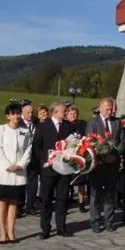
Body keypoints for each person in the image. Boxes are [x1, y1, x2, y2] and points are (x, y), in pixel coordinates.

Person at [0, 102, 32, 244]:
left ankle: (11, 231)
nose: (16, 116)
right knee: (3, 202)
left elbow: (28, 150)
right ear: (7, 116)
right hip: (4, 172)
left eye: (18, 113)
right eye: (13, 113)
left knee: (14, 203)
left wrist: (20, 165)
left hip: (19, 173)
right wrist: (8, 166)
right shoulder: (1, 129)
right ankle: (2, 232)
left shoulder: (25, 130)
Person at [33, 102, 74, 239]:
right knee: (46, 199)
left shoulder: (69, 126)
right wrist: (48, 158)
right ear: (55, 112)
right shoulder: (43, 126)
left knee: (62, 198)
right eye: (64, 111)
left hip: (64, 169)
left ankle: (61, 227)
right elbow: (37, 148)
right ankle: (45, 228)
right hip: (49, 170)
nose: (66, 112)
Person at [85, 97, 124, 234]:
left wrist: (115, 154)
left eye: (111, 109)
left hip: (113, 164)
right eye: (107, 109)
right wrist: (103, 156)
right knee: (95, 194)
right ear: (100, 108)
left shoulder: (117, 122)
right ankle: (95, 220)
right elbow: (90, 142)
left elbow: (122, 140)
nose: (109, 112)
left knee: (110, 193)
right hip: (98, 164)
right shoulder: (92, 123)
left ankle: (109, 220)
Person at [17, 101, 39, 217]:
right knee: (21, 183)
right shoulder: (18, 123)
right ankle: (19, 206)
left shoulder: (37, 122)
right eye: (28, 112)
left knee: (33, 183)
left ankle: (30, 205)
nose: (30, 114)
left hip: (34, 158)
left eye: (32, 112)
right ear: (22, 113)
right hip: (20, 158)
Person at [65, 105, 88, 213]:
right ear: (66, 115)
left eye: (75, 113)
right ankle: (65, 202)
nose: (73, 115)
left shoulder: (82, 124)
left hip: (80, 155)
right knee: (66, 182)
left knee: (81, 182)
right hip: (68, 156)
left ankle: (81, 203)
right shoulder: (64, 125)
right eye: (71, 114)